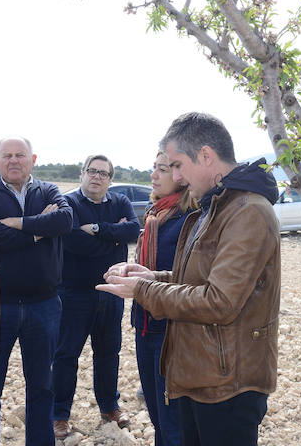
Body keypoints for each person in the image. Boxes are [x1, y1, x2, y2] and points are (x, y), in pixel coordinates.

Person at [98, 112, 280, 446]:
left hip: (228, 384)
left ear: (207, 156)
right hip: (201, 373)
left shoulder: (248, 211)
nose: (177, 177)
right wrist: (152, 276)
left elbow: (219, 301)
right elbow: (195, 278)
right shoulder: (214, 207)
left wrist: (144, 289)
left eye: (179, 165)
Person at [0, 137, 73, 446]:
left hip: (44, 304)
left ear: (33, 159)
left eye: (20, 155)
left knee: (42, 387)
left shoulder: (49, 190)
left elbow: (65, 220)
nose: (14, 160)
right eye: (7, 156)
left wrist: (17, 223)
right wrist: (39, 230)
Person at [51, 155, 140, 438]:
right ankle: (59, 414)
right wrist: (113, 241)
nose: (97, 177)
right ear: (82, 174)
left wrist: (100, 230)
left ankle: (109, 406)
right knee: (66, 355)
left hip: (112, 292)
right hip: (74, 292)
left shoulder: (121, 202)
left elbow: (132, 230)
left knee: (108, 352)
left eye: (104, 173)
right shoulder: (69, 203)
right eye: (92, 171)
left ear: (110, 179)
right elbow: (73, 241)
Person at [131, 152, 197, 446]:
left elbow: (189, 277)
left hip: (171, 329)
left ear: (180, 178)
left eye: (161, 170)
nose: (153, 176)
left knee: (173, 423)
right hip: (144, 324)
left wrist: (148, 276)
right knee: (157, 415)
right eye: (153, 169)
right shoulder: (154, 213)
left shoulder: (189, 219)